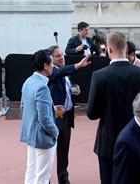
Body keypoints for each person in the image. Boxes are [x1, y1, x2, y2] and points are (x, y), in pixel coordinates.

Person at [87, 32, 140, 184]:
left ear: (109, 50)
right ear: (125, 48)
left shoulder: (99, 76)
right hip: (137, 140)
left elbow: (92, 114)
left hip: (108, 141)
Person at [47, 46, 91, 184]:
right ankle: (44, 179)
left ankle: (63, 178)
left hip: (66, 117)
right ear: (50, 60)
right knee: (48, 151)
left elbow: (65, 92)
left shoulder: (65, 73)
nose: (62, 57)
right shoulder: (51, 72)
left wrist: (74, 92)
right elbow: (58, 73)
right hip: (54, 117)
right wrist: (78, 65)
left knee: (63, 150)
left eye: (62, 55)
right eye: (58, 56)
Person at [20, 49, 59, 184]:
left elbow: (23, 108)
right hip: (43, 137)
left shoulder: (28, 82)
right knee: (42, 177)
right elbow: (44, 118)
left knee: (31, 172)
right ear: (45, 66)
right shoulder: (42, 87)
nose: (54, 66)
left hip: (31, 134)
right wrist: (55, 132)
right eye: (52, 63)